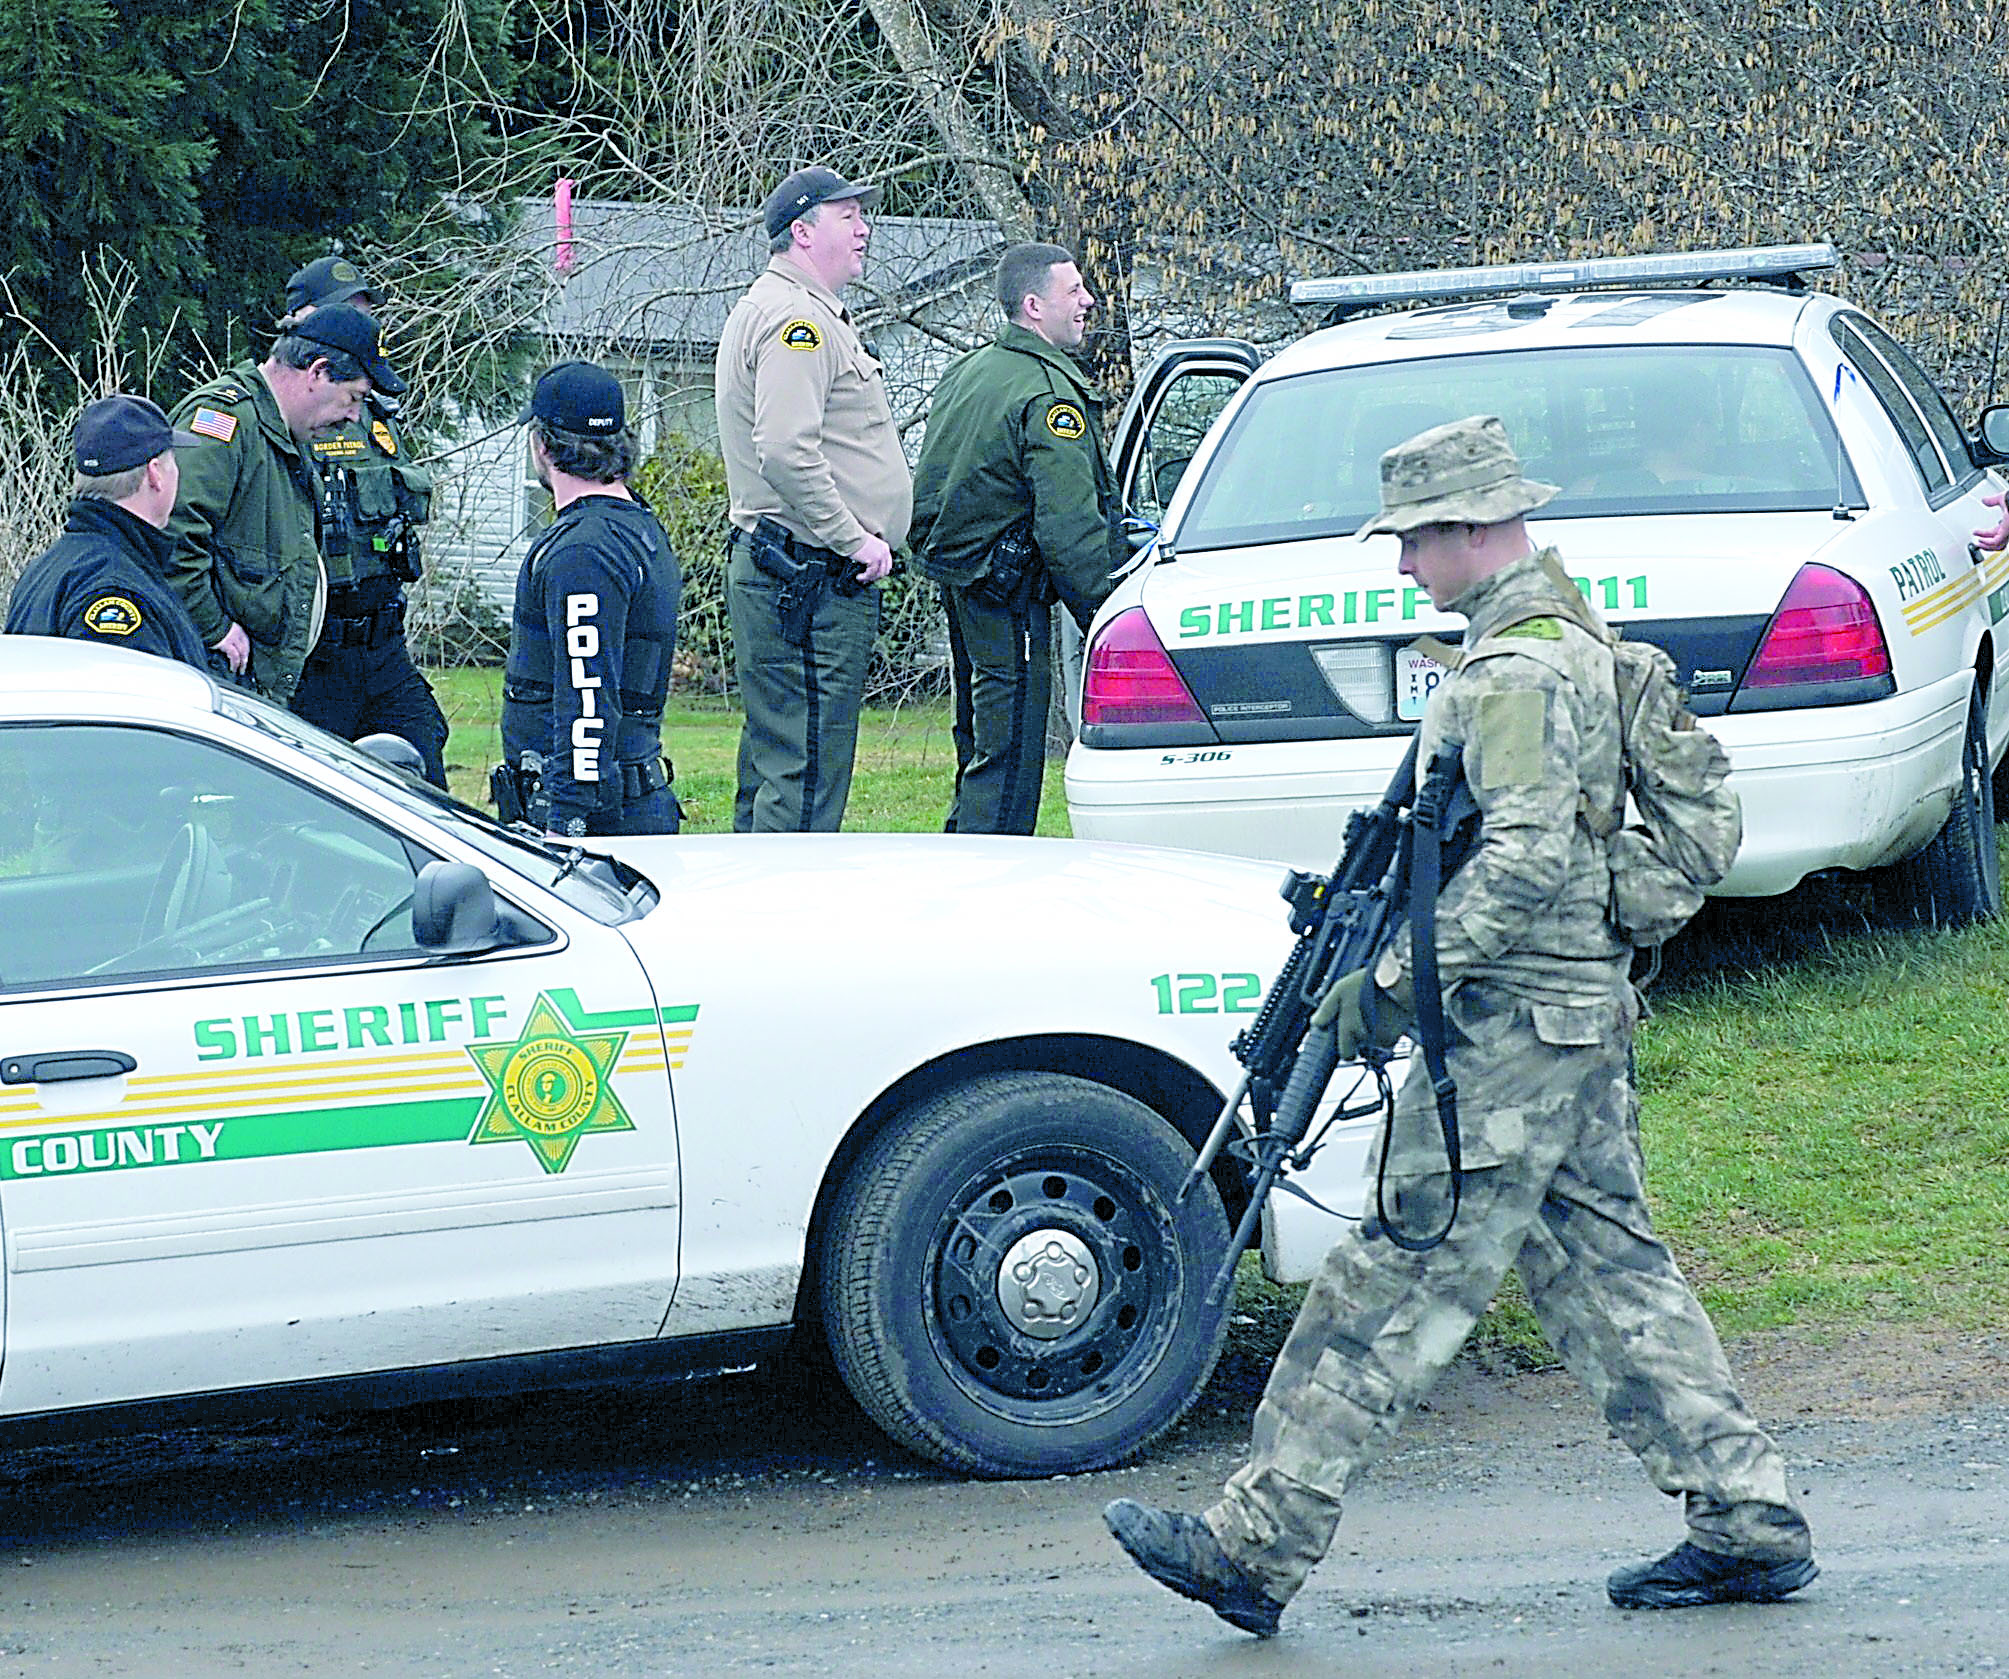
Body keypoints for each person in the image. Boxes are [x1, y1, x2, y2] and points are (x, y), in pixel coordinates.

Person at [1102, 416, 1816, 1636]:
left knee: (1390, 1273)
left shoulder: (1514, 676)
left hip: (1507, 1033)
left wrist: (1391, 979)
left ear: (1473, 530)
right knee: (1608, 1271)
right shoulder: (1578, 647)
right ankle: (1744, 1519)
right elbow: (1680, 830)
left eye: (1415, 541)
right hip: (1566, 1019)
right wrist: (1589, 930)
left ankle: (1254, 1541)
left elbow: (1529, 855)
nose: (1401, 568)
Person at [714, 165, 913, 832]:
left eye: (864, 214)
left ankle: (755, 915)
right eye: (846, 215)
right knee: (803, 774)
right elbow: (785, 450)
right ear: (801, 232)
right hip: (806, 575)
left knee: (782, 760)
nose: (864, 228)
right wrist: (853, 537)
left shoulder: (794, 311)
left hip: (797, 569)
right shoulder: (797, 320)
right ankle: (780, 923)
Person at [910, 242, 1122, 834]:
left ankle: (962, 861)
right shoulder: (1048, 394)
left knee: (977, 737)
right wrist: (1107, 613)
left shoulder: (969, 372)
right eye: (1073, 291)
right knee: (1010, 750)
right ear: (1034, 305)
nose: (1087, 302)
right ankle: (991, 882)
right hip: (1007, 596)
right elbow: (1070, 528)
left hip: (964, 585)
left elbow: (929, 492)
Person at [161, 305, 404, 708]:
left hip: (256, 684)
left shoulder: (288, 434)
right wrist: (214, 629)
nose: (355, 416)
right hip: (215, 683)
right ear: (319, 372)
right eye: (354, 397)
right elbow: (169, 535)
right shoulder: (225, 423)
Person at [277, 258, 452, 787]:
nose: (359, 324)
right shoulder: (279, 410)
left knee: (424, 778)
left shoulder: (374, 414)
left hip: (381, 643)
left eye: (363, 311)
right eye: (343, 311)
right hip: (315, 654)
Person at [501, 361, 681, 838]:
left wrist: (565, 824)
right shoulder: (634, 525)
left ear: (542, 445)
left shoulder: (585, 549)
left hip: (594, 821)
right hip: (628, 801)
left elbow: (588, 698)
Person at [5, 395, 212, 667]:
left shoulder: (49, 566)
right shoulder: (116, 591)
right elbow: (134, 706)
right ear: (155, 474)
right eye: (173, 462)